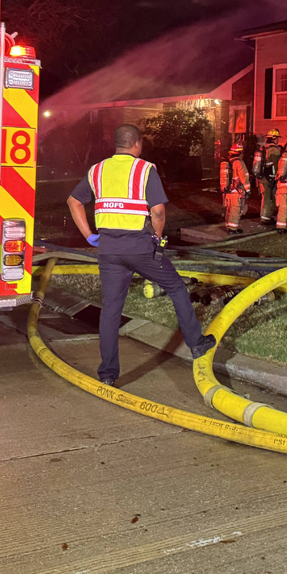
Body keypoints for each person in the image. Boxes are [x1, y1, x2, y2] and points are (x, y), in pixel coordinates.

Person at [66, 124, 215, 386]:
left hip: (109, 251)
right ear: (137, 143)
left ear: (116, 144)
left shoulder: (97, 170)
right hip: (140, 248)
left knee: (110, 310)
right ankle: (196, 343)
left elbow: (73, 201)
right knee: (176, 288)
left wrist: (89, 236)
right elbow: (157, 211)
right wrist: (157, 238)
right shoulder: (145, 169)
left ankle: (108, 374)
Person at [251, 129, 283, 225]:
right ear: (274, 139)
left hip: (262, 178)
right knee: (269, 198)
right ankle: (266, 218)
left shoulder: (264, 148)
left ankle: (265, 217)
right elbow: (277, 166)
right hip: (270, 178)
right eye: (277, 138)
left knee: (265, 197)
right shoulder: (275, 151)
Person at [219, 140, 250, 234]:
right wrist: (247, 190)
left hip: (227, 191)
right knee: (235, 210)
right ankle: (232, 229)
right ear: (240, 153)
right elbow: (244, 177)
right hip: (236, 192)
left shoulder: (228, 163)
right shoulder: (239, 163)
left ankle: (228, 226)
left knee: (229, 209)